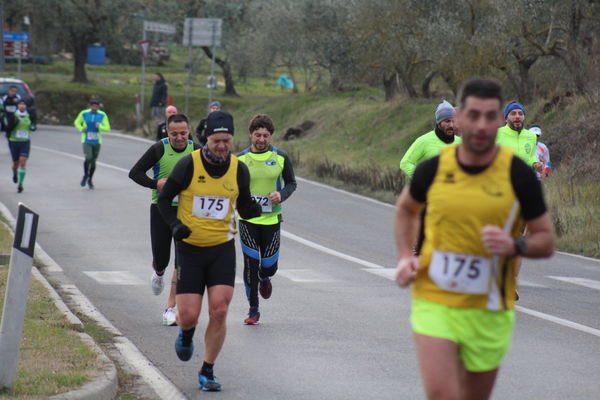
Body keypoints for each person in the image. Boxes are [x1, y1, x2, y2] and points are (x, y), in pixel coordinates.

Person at [395, 78, 555, 400]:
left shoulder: (518, 175)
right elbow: (405, 211)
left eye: (489, 116)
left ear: (499, 121)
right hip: (436, 296)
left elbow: (545, 240)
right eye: (473, 115)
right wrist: (404, 257)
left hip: (490, 303)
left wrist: (513, 245)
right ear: (460, 118)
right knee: (442, 392)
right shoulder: (434, 168)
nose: (481, 124)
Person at [157, 110, 261, 391]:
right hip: (190, 249)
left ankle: (208, 370)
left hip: (222, 249)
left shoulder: (239, 169)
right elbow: (164, 201)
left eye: (227, 140)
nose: (222, 146)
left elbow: (244, 204)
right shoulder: (188, 165)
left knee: (220, 309)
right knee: (188, 315)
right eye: (217, 140)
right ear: (206, 139)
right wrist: (176, 226)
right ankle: (187, 333)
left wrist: (255, 208)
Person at [129, 114, 200, 326]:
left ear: (189, 131)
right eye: (174, 134)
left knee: (182, 261)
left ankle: (171, 308)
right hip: (161, 208)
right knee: (162, 258)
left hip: (186, 212)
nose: (179, 138)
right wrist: (156, 184)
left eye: (183, 133)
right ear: (167, 133)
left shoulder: (196, 150)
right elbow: (135, 173)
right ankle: (158, 272)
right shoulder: (159, 149)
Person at [237, 114, 297, 325]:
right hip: (247, 220)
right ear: (250, 135)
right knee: (250, 264)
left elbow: (291, 183)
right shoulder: (240, 159)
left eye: (265, 135)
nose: (261, 140)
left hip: (271, 219)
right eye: (257, 135)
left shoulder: (280, 157)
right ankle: (253, 309)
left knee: (269, 265)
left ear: (271, 136)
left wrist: (281, 195)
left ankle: (265, 277)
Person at [400, 100, 461, 178]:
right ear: (439, 122)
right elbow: (405, 163)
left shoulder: (459, 142)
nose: (451, 125)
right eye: (447, 121)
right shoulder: (423, 141)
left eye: (453, 121)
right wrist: (423, 178)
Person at [496, 101, 543, 173]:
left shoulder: (531, 136)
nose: (517, 116)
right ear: (506, 118)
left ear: (524, 117)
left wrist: (535, 164)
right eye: (513, 113)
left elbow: (531, 157)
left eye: (520, 114)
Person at [74, 98, 111, 189]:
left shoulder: (102, 115)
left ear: (98, 106)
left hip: (97, 141)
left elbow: (108, 128)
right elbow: (76, 122)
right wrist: (81, 129)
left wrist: (100, 126)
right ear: (90, 106)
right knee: (88, 157)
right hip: (86, 140)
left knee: (93, 162)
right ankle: (85, 175)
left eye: (96, 105)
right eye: (93, 105)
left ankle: (90, 179)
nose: (94, 107)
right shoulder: (84, 113)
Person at [6, 100, 36, 193]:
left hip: (25, 142)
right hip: (14, 141)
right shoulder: (13, 116)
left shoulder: (30, 115)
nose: (22, 106)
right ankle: (15, 172)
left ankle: (20, 184)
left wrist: (33, 127)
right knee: (15, 163)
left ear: (26, 106)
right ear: (18, 106)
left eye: (24, 105)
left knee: (23, 162)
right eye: (20, 104)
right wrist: (14, 123)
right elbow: (7, 128)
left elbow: (34, 126)